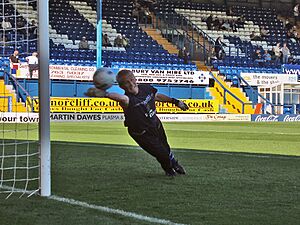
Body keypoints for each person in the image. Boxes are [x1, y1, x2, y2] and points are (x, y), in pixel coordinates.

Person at [85, 69, 189, 177]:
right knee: (161, 153)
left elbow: (157, 96)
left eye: (131, 79)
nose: (131, 83)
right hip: (141, 134)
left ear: (135, 78)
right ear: (122, 86)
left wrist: (175, 102)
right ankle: (169, 169)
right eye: (126, 82)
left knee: (165, 147)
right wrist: (105, 94)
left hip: (155, 124)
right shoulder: (128, 99)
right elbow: (121, 98)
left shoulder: (146, 88)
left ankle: (173, 164)